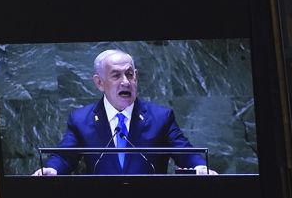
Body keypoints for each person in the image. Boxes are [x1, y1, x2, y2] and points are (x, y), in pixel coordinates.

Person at [33, 49, 213, 177]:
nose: (126, 82)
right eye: (116, 75)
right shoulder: (81, 120)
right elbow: (64, 156)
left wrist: (200, 167)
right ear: (99, 83)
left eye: (129, 74)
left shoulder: (161, 117)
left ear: (136, 76)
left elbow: (185, 152)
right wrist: (52, 169)